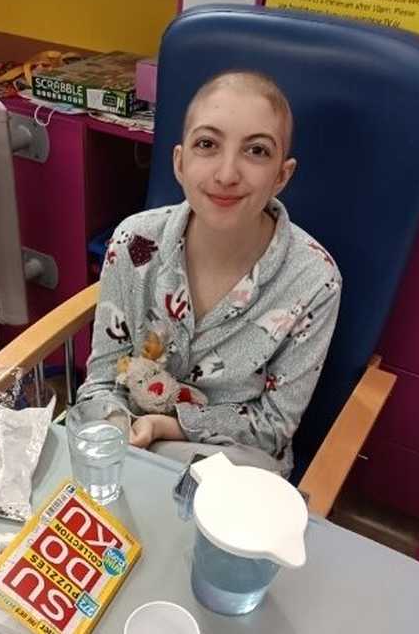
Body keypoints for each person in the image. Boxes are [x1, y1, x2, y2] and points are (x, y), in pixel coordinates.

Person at [77, 70, 342, 477]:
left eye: (256, 151)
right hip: (126, 445)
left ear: (282, 176)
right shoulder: (134, 243)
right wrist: (119, 436)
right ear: (180, 162)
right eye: (207, 144)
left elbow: (271, 429)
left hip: (233, 466)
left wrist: (169, 427)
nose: (226, 174)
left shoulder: (314, 280)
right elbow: (102, 380)